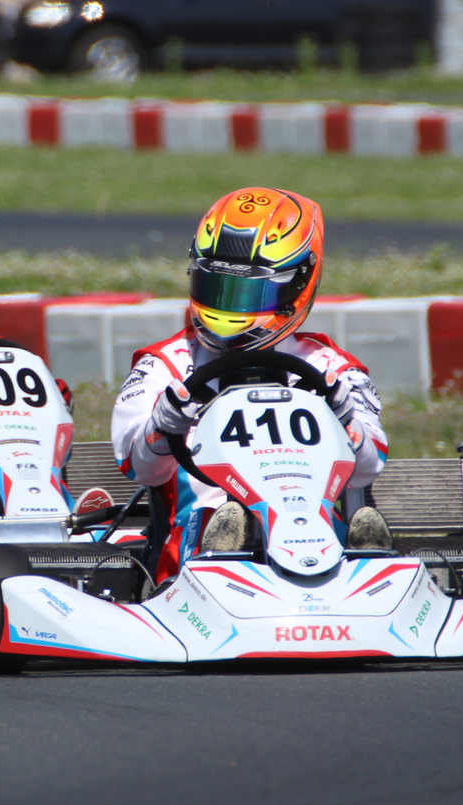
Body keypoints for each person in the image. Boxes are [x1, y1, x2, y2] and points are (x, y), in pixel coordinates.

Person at [111, 187, 391, 582]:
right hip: (197, 552)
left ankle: (365, 564)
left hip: (318, 537)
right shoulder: (165, 366)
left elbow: (369, 468)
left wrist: (347, 424)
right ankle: (231, 543)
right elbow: (139, 468)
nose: (228, 309)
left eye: (247, 293)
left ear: (297, 284)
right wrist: (162, 427)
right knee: (218, 521)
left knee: (349, 523)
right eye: (216, 289)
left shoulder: (331, 369)